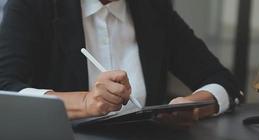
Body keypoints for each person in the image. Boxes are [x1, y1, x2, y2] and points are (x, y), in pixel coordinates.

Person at [0, 0, 243, 124]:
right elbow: (5, 89)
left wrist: (194, 107)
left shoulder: (152, 7)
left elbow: (223, 81)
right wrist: (86, 103)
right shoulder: (33, 6)